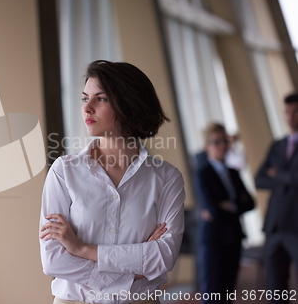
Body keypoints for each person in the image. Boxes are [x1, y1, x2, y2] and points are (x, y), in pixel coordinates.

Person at [38, 60, 186, 304]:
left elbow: (164, 257)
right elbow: (54, 260)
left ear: (129, 104)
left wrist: (82, 249)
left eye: (101, 99)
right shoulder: (64, 172)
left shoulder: (167, 179)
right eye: (85, 98)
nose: (87, 108)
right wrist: (134, 270)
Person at [196, 123, 255, 304]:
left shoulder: (233, 172)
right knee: (213, 292)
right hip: (214, 239)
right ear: (207, 146)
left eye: (224, 141)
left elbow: (251, 203)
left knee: (229, 291)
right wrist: (236, 204)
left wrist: (228, 205)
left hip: (235, 236)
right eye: (216, 142)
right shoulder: (202, 173)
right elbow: (212, 208)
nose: (222, 145)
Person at [255, 93, 298, 303]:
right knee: (275, 288)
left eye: (295, 112)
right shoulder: (277, 145)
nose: (290, 117)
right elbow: (259, 179)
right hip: (274, 226)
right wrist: (287, 178)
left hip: (296, 226)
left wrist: (277, 173)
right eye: (287, 112)